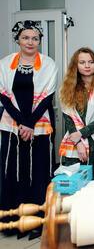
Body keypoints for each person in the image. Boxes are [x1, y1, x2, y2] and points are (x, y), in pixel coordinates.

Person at [0, 20, 57, 238]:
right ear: (17, 39)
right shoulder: (4, 64)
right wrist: (21, 123)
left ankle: (37, 224)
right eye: (25, 37)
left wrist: (30, 123)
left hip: (39, 128)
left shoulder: (49, 64)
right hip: (12, 128)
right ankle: (13, 222)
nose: (30, 42)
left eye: (35, 38)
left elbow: (47, 98)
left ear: (40, 41)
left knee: (38, 174)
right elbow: (4, 97)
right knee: (13, 173)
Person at [59, 47, 94, 180]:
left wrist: (81, 134)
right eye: (82, 62)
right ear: (76, 65)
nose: (87, 66)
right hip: (75, 143)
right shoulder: (66, 88)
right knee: (75, 183)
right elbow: (68, 117)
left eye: (91, 62)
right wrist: (78, 141)